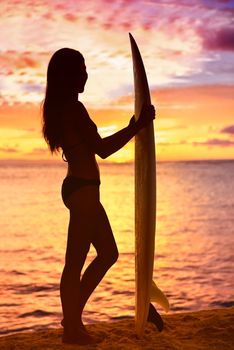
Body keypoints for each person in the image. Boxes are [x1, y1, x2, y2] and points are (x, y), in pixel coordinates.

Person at [42, 47, 155, 345]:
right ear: (70, 75)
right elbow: (102, 150)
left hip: (81, 189)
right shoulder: (73, 109)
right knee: (74, 263)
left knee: (108, 253)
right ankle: (72, 328)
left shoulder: (64, 107)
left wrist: (136, 126)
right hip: (82, 190)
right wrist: (137, 126)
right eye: (81, 68)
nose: (86, 74)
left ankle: (72, 318)